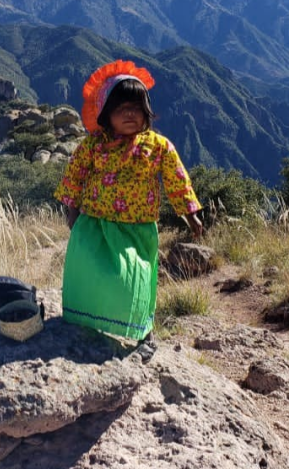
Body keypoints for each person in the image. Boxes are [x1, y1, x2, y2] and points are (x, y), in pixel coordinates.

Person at [53, 60, 203, 350]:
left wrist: (190, 213)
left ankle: (141, 332)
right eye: (122, 108)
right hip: (95, 223)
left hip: (137, 229)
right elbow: (75, 175)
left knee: (134, 280)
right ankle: (85, 321)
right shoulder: (93, 145)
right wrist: (72, 211)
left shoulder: (159, 146)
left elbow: (177, 179)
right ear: (106, 113)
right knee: (89, 272)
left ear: (147, 112)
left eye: (136, 107)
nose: (130, 114)